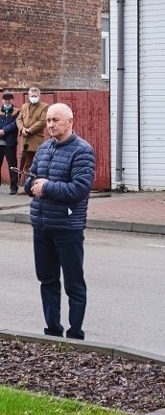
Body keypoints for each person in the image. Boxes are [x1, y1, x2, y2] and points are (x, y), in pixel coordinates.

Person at [24, 103, 95, 340]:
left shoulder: (82, 151)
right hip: (42, 226)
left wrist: (46, 187)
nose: (51, 125)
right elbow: (31, 178)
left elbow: (79, 189)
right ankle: (52, 331)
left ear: (70, 121)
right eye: (49, 121)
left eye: (55, 120)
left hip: (67, 228)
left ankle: (76, 333)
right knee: (47, 280)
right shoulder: (44, 148)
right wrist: (30, 185)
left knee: (74, 283)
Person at [17, 87, 48, 176]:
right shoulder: (24, 106)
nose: (33, 97)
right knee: (26, 165)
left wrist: (29, 130)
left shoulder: (44, 106)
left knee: (37, 164)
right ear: (29, 96)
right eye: (31, 95)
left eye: (35, 95)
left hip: (36, 140)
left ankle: (36, 185)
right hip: (25, 140)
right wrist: (22, 129)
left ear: (39, 96)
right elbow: (18, 119)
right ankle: (28, 186)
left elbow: (43, 121)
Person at [0, 92, 20, 195]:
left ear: (12, 100)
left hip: (10, 143)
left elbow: (16, 124)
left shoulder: (17, 112)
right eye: (5, 99)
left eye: (9, 99)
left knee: (12, 165)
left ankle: (13, 187)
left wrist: (3, 130)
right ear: (2, 100)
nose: (7, 101)